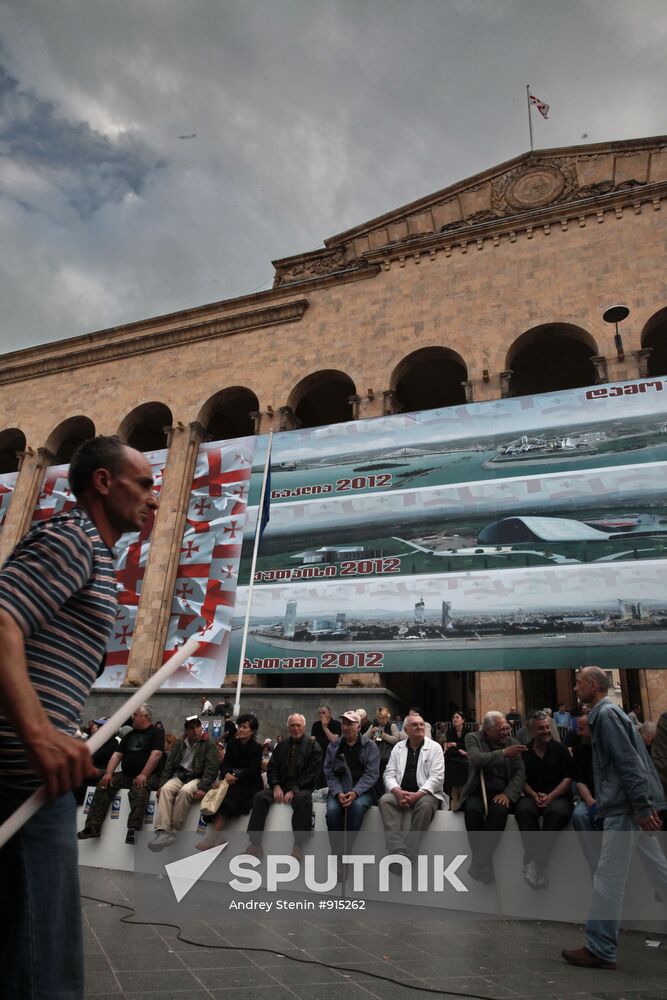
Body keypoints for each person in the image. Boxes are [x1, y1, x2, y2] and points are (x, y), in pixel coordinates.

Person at [0, 434, 158, 1000]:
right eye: (143, 483)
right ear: (103, 482)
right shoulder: (73, 539)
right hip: (19, 780)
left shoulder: (95, 555)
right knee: (49, 971)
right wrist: (41, 736)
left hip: (32, 783)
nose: (154, 497)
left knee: (26, 960)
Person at [562, 667, 667, 970]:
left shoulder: (605, 716)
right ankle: (600, 946)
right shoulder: (609, 714)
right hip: (629, 806)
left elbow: (628, 763)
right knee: (659, 872)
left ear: (593, 685)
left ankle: (600, 947)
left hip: (624, 808)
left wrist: (642, 807)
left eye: (579, 683)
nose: (575, 689)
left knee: (608, 878)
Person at [78, 704, 164, 845]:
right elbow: (117, 755)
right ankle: (92, 827)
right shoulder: (130, 735)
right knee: (104, 785)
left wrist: (143, 774)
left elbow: (156, 754)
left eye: (135, 715)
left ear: (145, 716)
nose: (132, 718)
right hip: (126, 774)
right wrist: (108, 773)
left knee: (139, 790)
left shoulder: (156, 733)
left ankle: (133, 830)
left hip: (148, 775)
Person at [458, 712, 526, 884]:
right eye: (501, 729)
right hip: (477, 792)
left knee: (498, 811)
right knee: (472, 811)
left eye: (507, 728)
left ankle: (479, 861)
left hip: (501, 793)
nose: (506, 732)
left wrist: (508, 794)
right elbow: (475, 759)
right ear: (488, 731)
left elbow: (520, 772)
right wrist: (504, 753)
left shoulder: (513, 743)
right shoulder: (473, 738)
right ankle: (485, 864)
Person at [246, 713, 322, 861]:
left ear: (304, 727)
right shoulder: (281, 746)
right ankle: (255, 844)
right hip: (281, 785)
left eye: (298, 725)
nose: (295, 728)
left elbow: (313, 774)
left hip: (302, 787)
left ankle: (298, 846)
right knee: (260, 797)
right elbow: (272, 768)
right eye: (292, 725)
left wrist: (294, 790)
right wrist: (275, 786)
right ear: (288, 727)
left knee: (302, 800)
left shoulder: (314, 747)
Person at [515, 710, 573, 889]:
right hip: (533, 796)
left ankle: (534, 863)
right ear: (531, 730)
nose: (546, 731)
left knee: (558, 813)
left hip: (557, 796)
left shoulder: (560, 749)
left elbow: (568, 777)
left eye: (548, 727)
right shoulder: (524, 752)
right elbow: (520, 778)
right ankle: (535, 864)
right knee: (523, 810)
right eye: (541, 729)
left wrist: (551, 796)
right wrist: (533, 795)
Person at [378, 714, 445, 859]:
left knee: (426, 805)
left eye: (421, 724)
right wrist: (398, 792)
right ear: (406, 729)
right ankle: (397, 847)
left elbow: (437, 778)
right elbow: (388, 774)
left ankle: (407, 852)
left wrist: (417, 795)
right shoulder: (398, 747)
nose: (420, 727)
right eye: (415, 724)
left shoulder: (435, 748)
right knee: (385, 800)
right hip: (400, 793)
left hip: (425, 794)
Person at [149, 716, 219, 850]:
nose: (195, 730)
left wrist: (203, 787)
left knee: (185, 791)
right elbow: (169, 765)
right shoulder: (180, 742)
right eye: (192, 728)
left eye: (197, 727)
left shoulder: (209, 743)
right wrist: (161, 784)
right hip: (181, 775)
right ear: (187, 730)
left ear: (200, 727)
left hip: (198, 777)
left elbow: (212, 768)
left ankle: (174, 831)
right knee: (165, 789)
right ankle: (162, 831)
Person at [197, 714, 262, 849]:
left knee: (230, 795)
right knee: (215, 792)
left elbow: (253, 770)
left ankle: (212, 837)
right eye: (240, 726)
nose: (241, 729)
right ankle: (219, 837)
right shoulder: (232, 744)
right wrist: (226, 775)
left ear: (252, 731)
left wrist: (233, 777)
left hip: (248, 784)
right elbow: (225, 764)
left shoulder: (256, 748)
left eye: (245, 727)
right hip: (230, 780)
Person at [324, 710, 379, 863]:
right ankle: (337, 854)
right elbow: (329, 773)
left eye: (349, 724)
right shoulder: (333, 746)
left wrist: (355, 792)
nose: (345, 727)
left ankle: (345, 853)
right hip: (339, 789)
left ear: (359, 727)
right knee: (333, 810)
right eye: (343, 724)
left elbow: (372, 774)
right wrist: (337, 792)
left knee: (356, 808)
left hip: (363, 791)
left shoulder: (370, 746)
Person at [570, 713, 603, 875]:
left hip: (610, 798)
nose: (578, 733)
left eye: (582, 729)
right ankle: (596, 866)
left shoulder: (606, 747)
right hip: (588, 797)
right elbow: (579, 780)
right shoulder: (580, 750)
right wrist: (590, 801)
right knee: (579, 815)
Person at [370, 706, 400, 796]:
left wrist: (384, 736)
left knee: (386, 779)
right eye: (379, 718)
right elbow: (366, 739)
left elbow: (396, 740)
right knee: (376, 780)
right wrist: (372, 734)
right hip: (376, 757)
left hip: (387, 757)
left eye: (383, 718)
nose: (381, 720)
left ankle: (385, 797)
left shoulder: (392, 725)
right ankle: (378, 797)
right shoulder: (374, 725)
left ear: (387, 717)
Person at [310, 705, 341, 787]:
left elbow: (334, 740)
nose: (321, 715)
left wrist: (325, 727)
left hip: (332, 756)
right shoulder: (316, 725)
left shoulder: (336, 724)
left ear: (330, 713)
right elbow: (312, 741)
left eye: (323, 713)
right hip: (319, 756)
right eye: (320, 713)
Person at [443, 711, 469, 810]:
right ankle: (451, 800)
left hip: (465, 761)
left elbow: (468, 747)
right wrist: (461, 750)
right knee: (449, 764)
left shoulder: (467, 732)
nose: (454, 719)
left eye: (457, 717)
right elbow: (450, 750)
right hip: (453, 759)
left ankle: (463, 801)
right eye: (453, 717)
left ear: (463, 720)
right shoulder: (450, 731)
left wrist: (455, 744)